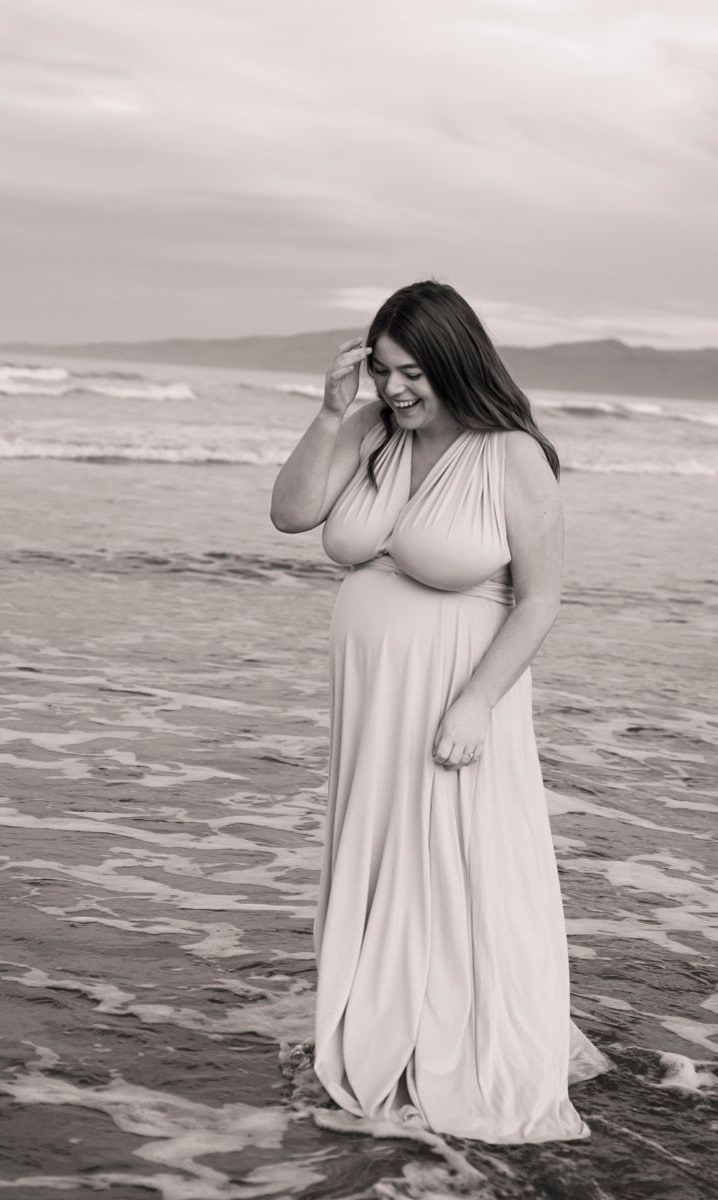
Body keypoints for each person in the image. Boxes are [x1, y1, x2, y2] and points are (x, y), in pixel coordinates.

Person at [270, 280, 612, 1144]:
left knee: (457, 861)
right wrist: (329, 412)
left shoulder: (511, 455)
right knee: (384, 853)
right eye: (383, 370)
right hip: (372, 702)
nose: (394, 389)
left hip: (458, 696)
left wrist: (475, 704)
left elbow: (540, 599)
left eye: (413, 373)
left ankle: (456, 1040)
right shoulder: (368, 429)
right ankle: (385, 1025)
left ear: (456, 364)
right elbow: (291, 514)